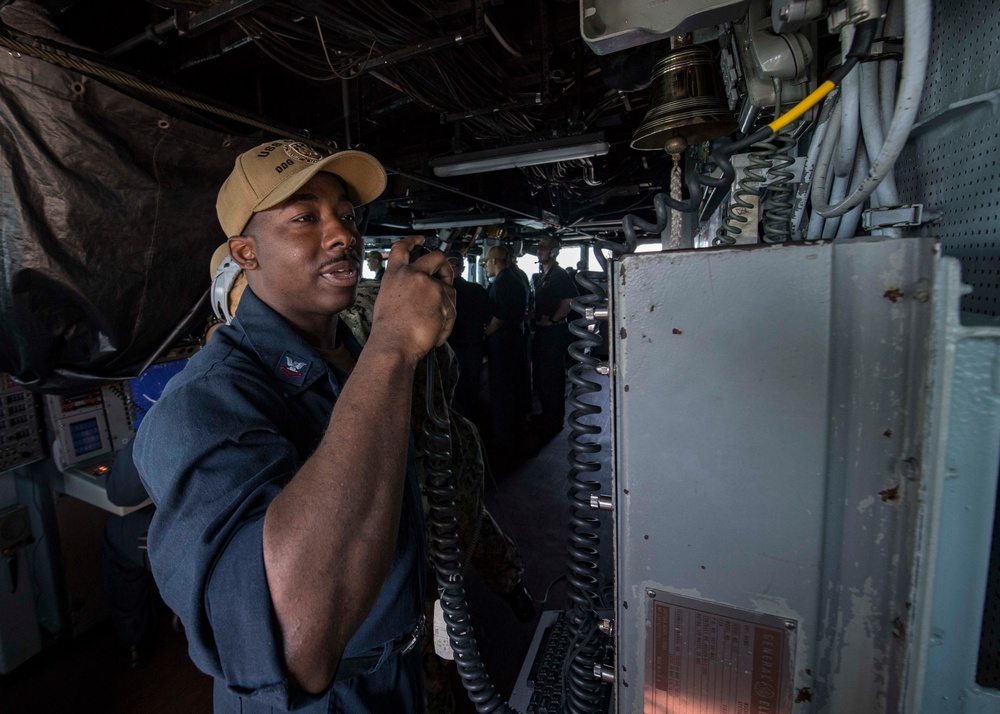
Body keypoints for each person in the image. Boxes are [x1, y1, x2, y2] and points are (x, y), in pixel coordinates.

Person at [133, 139, 456, 713]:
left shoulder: (349, 358)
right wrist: (393, 345)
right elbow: (295, 644)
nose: (341, 235)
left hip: (399, 676)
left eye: (345, 215)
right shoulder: (203, 402)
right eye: (306, 217)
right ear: (246, 253)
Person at [483, 244, 530, 457]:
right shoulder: (518, 278)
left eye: (486, 262)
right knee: (516, 388)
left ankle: (504, 440)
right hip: (517, 340)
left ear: (494, 261)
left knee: (502, 392)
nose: (485, 267)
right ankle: (518, 436)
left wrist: (484, 334)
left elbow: (498, 319)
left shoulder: (501, 284)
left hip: (502, 344)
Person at [529, 236, 577, 438]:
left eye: (543, 249)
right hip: (543, 332)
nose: (539, 252)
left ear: (554, 252)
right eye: (538, 249)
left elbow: (569, 300)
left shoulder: (558, 275)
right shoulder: (544, 275)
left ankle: (554, 421)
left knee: (552, 379)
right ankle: (547, 415)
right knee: (542, 377)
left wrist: (554, 320)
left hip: (553, 333)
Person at [442, 250, 489, 422]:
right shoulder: (478, 291)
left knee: (452, 394)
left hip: (451, 350)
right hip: (474, 350)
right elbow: (488, 319)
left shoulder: (440, 292)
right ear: (462, 268)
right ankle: (473, 428)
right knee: (471, 392)